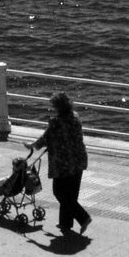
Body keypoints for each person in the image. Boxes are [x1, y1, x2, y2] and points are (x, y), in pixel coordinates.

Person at [25, 91, 91, 235]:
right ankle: (65, 223)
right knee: (71, 194)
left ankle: (83, 217)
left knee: (59, 192)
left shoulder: (56, 122)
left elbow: (44, 139)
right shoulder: (75, 117)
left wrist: (31, 145)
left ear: (58, 107)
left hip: (64, 163)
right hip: (79, 159)